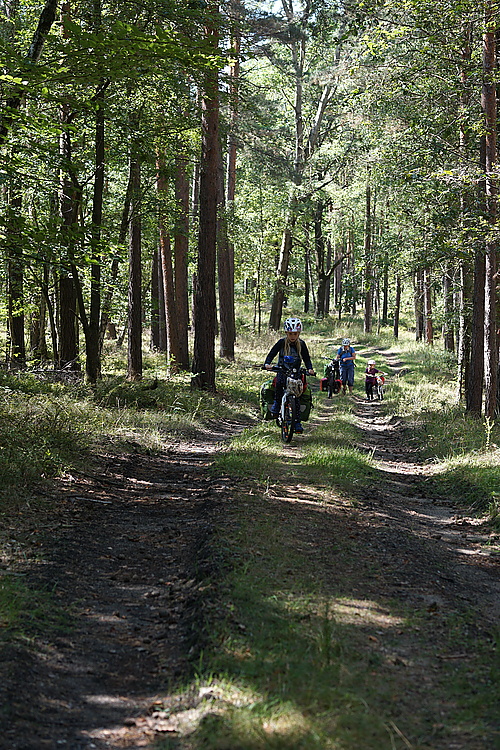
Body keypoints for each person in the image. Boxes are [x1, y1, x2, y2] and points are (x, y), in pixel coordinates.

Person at [264, 317, 315, 433]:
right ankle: (277, 403)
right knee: (279, 382)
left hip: (295, 372)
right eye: (290, 334)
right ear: (286, 333)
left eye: (295, 334)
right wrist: (267, 364)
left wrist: (310, 369)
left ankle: (297, 422)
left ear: (299, 333)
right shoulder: (281, 342)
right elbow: (272, 353)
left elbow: (306, 358)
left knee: (296, 395)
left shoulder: (301, 344)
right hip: (282, 370)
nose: (293, 336)